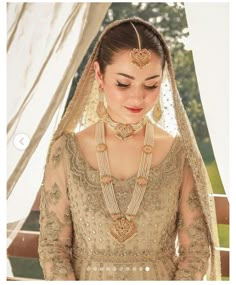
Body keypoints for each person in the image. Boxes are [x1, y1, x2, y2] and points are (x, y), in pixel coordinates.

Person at [38, 17, 221, 280]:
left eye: (151, 85)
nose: (138, 97)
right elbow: (53, 247)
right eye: (123, 83)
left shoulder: (178, 153)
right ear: (99, 76)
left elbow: (196, 249)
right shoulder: (67, 150)